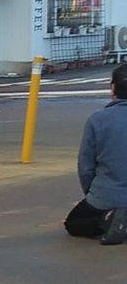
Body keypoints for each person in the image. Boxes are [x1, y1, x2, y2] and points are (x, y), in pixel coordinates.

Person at [64, 63, 127, 244]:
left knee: (74, 223)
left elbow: (86, 166)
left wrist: (91, 193)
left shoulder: (98, 120)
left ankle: (108, 220)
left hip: (107, 195)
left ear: (113, 88)